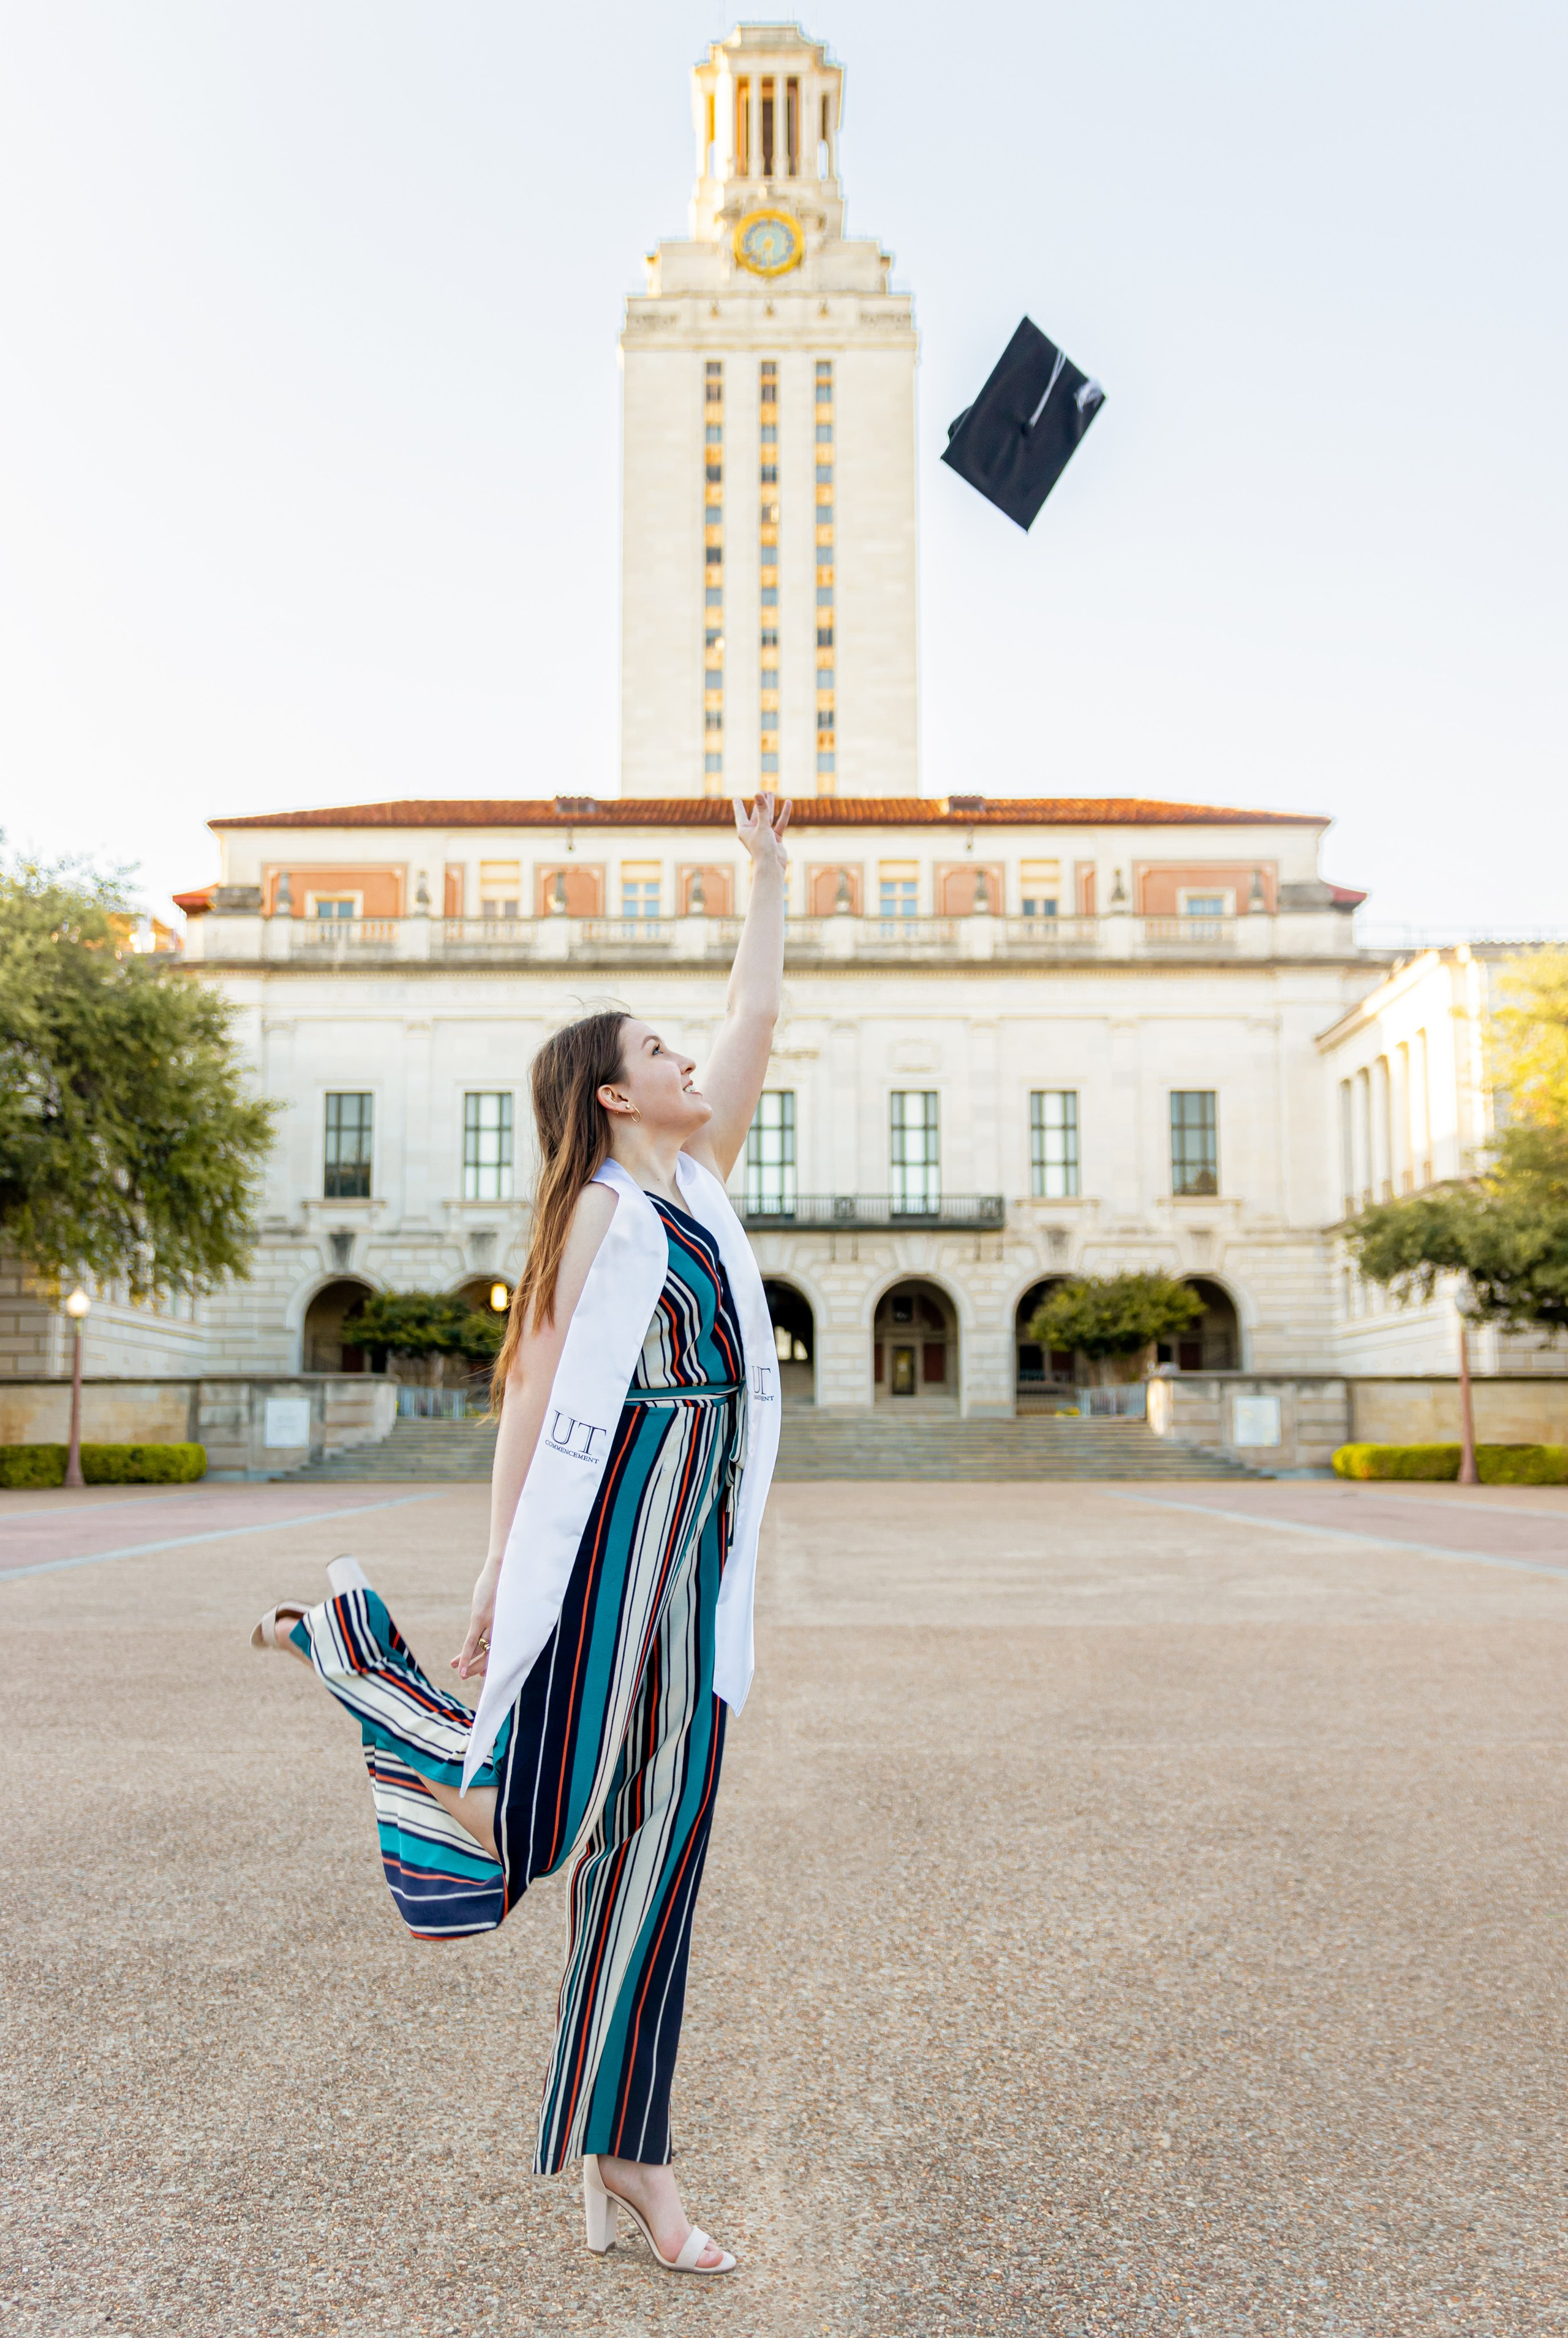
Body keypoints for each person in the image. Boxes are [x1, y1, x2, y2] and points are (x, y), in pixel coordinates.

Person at [251, 793, 791, 2278]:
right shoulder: (600, 1220)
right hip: (616, 1541)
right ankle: (379, 1685)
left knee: (657, 1853)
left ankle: (635, 2160)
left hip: (701, 1564)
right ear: (615, 1098)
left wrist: (768, 876)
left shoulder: (697, 1189)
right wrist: (497, 1575)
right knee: (540, 1818)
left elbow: (752, 1012)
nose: (688, 1060)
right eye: (658, 1054)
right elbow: (526, 1399)